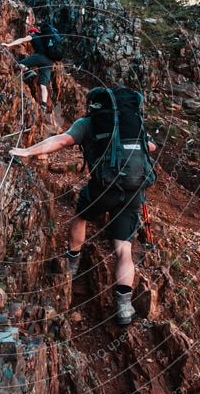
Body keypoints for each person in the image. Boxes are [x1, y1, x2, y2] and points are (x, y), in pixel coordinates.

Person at [9, 86, 157, 325]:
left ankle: (73, 261)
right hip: (133, 190)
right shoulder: (133, 122)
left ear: (91, 106)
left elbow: (61, 141)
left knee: (81, 216)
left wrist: (28, 151)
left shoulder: (89, 123)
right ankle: (124, 308)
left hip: (105, 188)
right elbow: (150, 147)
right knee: (123, 250)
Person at [2, 10, 58, 112]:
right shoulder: (46, 39)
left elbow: (22, 40)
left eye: (29, 32)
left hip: (40, 57)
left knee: (19, 64)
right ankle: (44, 105)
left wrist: (9, 45)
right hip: (49, 62)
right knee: (43, 85)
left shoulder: (34, 35)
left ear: (32, 31)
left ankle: (28, 70)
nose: (29, 33)